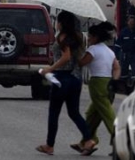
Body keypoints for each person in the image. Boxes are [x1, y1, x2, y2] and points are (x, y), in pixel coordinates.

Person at [36, 11, 96, 156]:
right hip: (75, 79)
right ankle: (88, 140)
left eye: (57, 21)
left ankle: (49, 145)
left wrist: (50, 68)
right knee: (74, 112)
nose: (56, 24)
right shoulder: (78, 37)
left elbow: (66, 56)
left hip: (61, 78)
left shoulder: (62, 37)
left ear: (61, 23)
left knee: (54, 113)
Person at [73, 22, 120, 154]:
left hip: (97, 84)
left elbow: (81, 63)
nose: (88, 39)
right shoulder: (109, 51)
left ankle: (120, 141)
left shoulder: (92, 50)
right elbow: (116, 67)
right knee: (92, 115)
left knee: (107, 114)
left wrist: (77, 51)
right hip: (109, 84)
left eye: (90, 37)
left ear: (95, 37)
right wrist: (114, 81)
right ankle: (87, 141)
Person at [114, 15, 135, 79]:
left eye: (133, 22)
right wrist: (117, 55)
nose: (131, 23)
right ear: (127, 22)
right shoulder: (123, 32)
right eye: (130, 22)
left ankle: (133, 84)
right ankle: (124, 84)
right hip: (125, 55)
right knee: (123, 71)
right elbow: (118, 44)